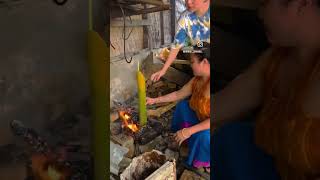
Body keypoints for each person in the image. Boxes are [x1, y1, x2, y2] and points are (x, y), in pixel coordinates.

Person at [213, 0, 320, 179]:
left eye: (264, 3)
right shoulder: (278, 59)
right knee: (231, 138)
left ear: (301, 4)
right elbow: (220, 105)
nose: (260, 14)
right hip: (281, 170)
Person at [147, 43, 211, 171]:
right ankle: (183, 139)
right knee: (183, 106)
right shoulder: (197, 80)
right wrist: (155, 100)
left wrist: (188, 131)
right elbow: (178, 94)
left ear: (204, 62)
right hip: (202, 118)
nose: (190, 64)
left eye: (192, 62)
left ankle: (205, 161)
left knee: (203, 136)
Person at [150, 0, 210, 82]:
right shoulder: (185, 18)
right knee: (186, 49)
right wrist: (163, 70)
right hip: (198, 51)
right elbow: (176, 46)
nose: (188, 2)